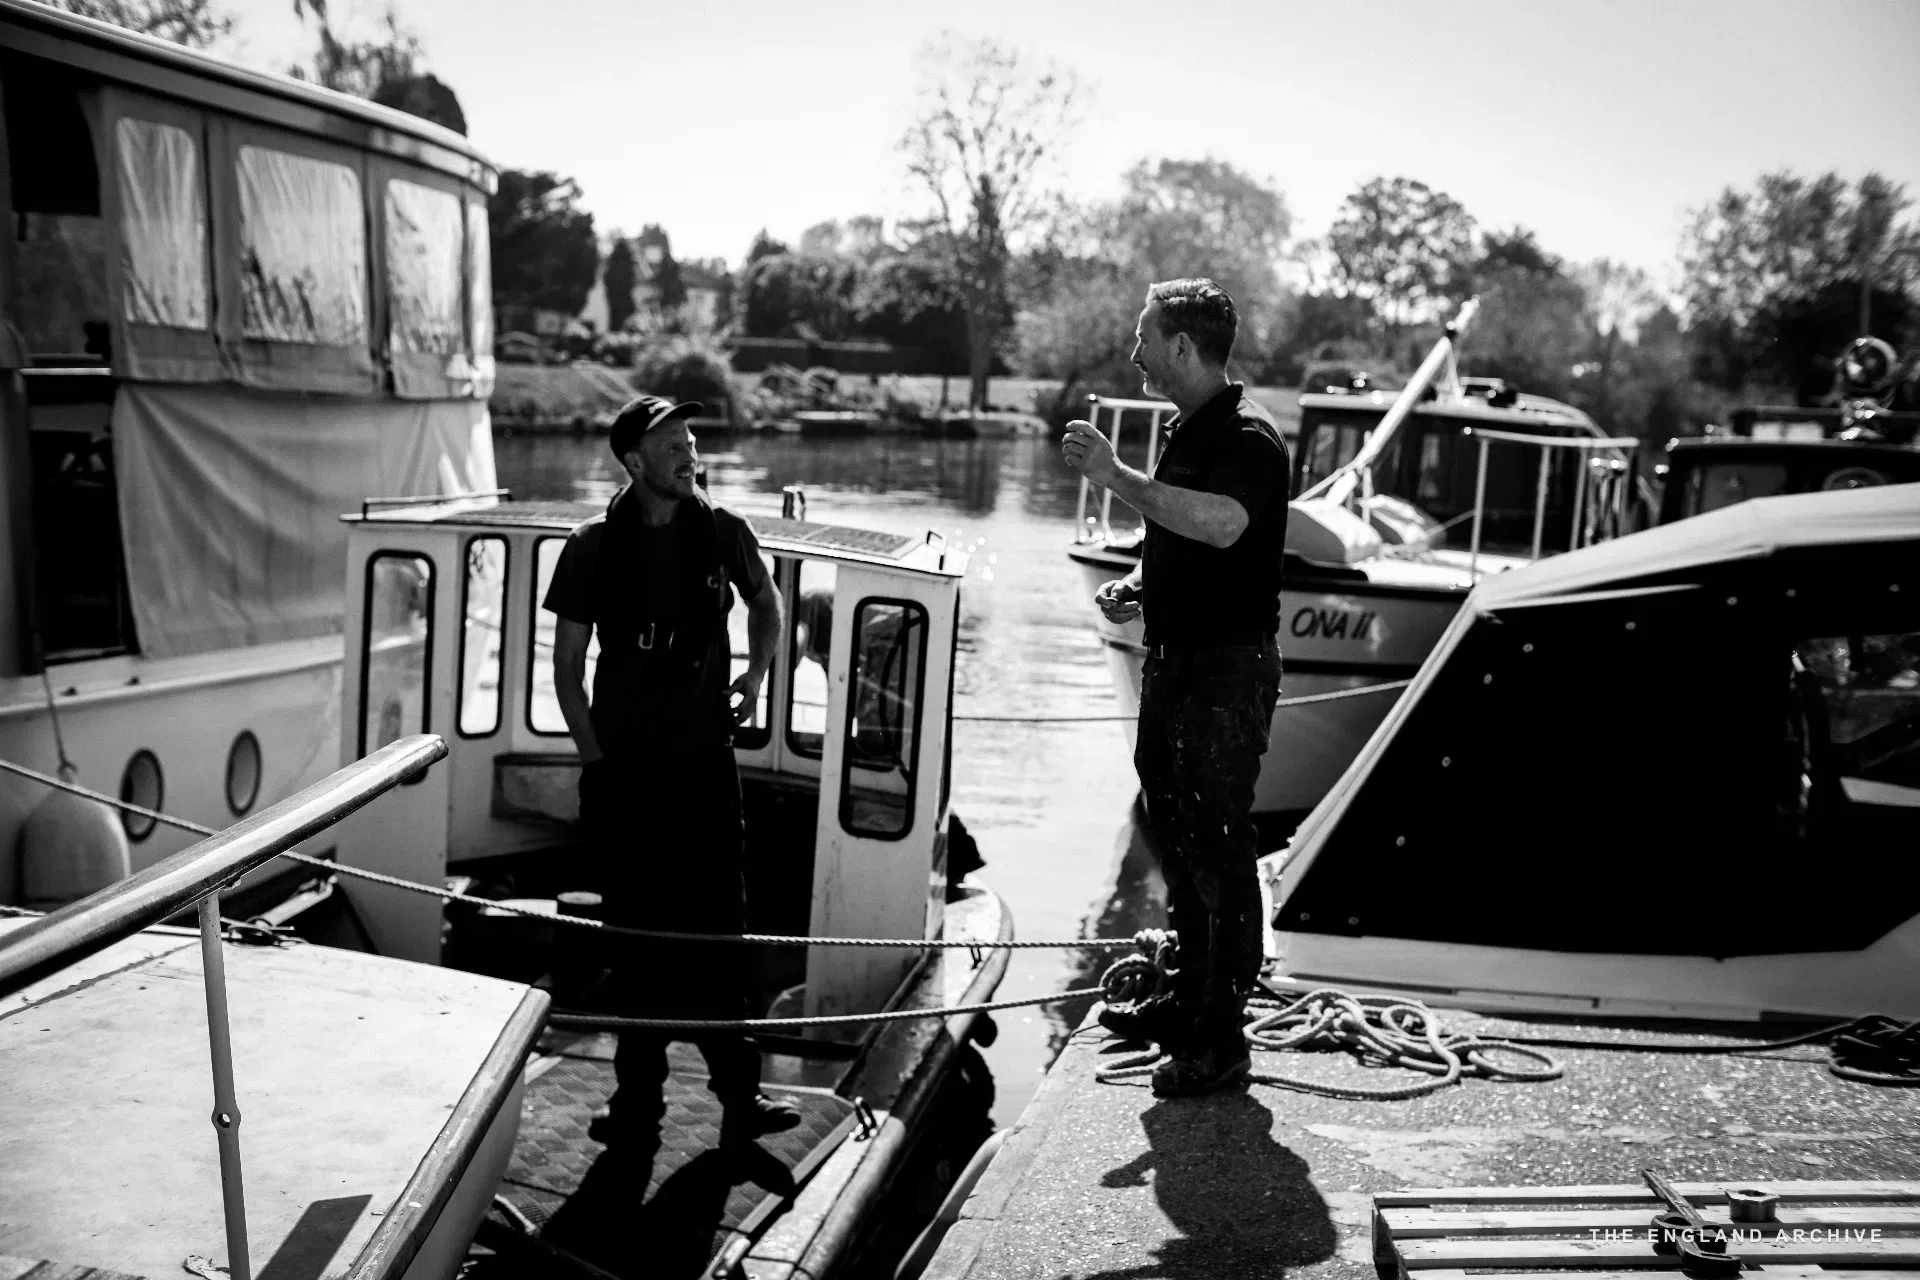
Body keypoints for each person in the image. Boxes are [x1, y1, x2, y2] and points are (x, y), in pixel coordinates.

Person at [546, 393, 801, 1151]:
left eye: (692, 440)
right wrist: (598, 765)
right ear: (633, 462)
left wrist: (757, 672)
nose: (691, 453)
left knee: (721, 938)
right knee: (636, 947)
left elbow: (767, 601)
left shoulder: (723, 531)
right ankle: (638, 1112)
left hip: (704, 773)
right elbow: (565, 670)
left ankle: (738, 1103)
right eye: (673, 445)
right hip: (626, 777)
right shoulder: (591, 546)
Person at [1061, 278, 1288, 1097]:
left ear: (1183, 348)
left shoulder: (1249, 438)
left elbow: (1225, 524)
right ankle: (1186, 998)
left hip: (1225, 671)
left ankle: (1220, 1040)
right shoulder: (1188, 428)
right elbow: (1187, 537)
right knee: (1176, 836)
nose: (1135, 353)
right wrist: (1143, 583)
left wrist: (1114, 476)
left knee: (1219, 847)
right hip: (1176, 661)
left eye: (1144, 338)